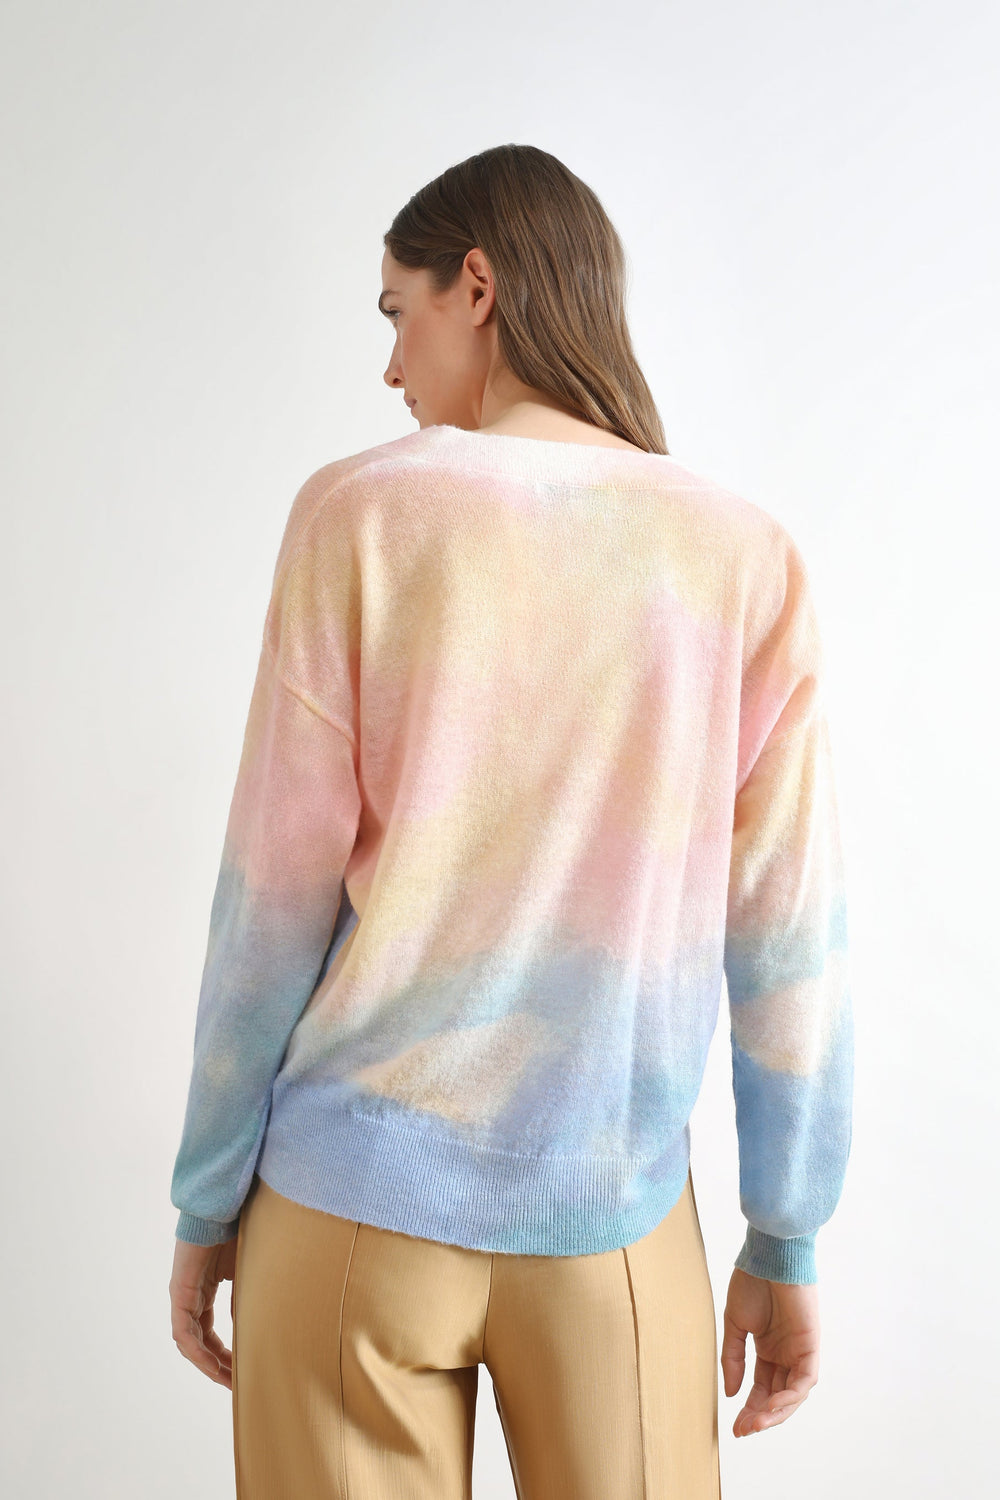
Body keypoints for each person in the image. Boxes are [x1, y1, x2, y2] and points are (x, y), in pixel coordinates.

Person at [168, 143, 853, 1499]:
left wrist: (206, 1195)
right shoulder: (742, 555)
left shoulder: (360, 516)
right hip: (613, 1226)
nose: (389, 366)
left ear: (475, 285)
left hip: (348, 1209)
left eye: (397, 311)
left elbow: (270, 900)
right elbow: (791, 939)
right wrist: (787, 1235)